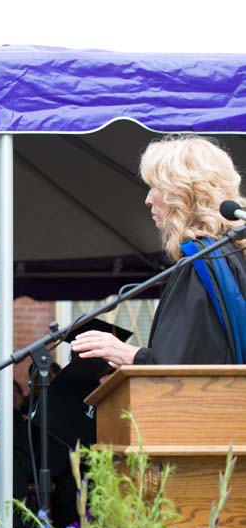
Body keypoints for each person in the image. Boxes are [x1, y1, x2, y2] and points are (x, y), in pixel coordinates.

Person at [72, 135, 246, 366]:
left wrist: (127, 354)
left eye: (156, 187)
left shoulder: (202, 262)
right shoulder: (231, 254)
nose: (148, 199)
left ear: (183, 194)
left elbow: (187, 364)